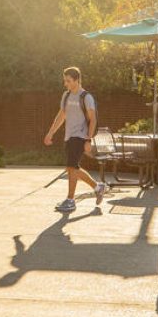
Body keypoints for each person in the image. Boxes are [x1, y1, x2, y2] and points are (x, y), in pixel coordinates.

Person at [43, 67, 106, 212]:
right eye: (65, 80)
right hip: (69, 136)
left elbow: (93, 119)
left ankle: (70, 200)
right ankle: (98, 187)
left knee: (71, 167)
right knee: (72, 167)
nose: (65, 83)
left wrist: (88, 140)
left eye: (68, 81)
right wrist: (50, 132)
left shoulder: (86, 97)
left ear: (77, 80)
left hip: (81, 136)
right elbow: (61, 116)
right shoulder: (66, 96)